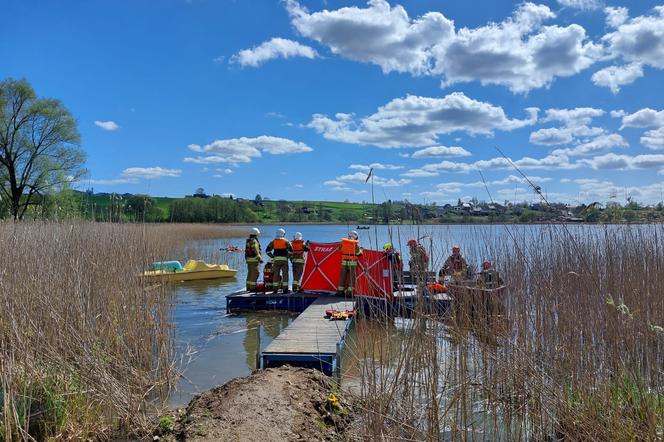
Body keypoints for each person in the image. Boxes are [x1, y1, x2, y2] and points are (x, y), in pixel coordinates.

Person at [266, 228, 293, 294]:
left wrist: (272, 256)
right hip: (284, 261)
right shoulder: (286, 241)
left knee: (276, 275)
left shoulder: (273, 241)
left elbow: (267, 251)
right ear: (283, 234)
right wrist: (287, 256)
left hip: (276, 261)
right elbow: (291, 251)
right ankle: (285, 290)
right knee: (285, 275)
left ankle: (275, 290)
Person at [337, 231, 362, 296]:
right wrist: (361, 250)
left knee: (342, 277)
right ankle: (349, 293)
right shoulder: (355, 244)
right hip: (352, 263)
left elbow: (338, 250)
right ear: (356, 237)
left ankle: (340, 292)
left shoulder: (343, 242)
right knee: (352, 278)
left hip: (344, 262)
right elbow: (359, 253)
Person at [244, 227, 262, 292]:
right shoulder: (254, 241)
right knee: (256, 273)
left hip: (249, 260)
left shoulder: (248, 240)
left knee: (250, 273)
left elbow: (246, 250)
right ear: (255, 234)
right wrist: (260, 259)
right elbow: (256, 250)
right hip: (254, 260)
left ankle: (248, 287)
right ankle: (252, 288)